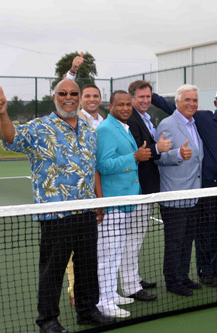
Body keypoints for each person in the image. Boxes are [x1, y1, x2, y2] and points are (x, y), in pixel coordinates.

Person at [0, 79, 114, 332]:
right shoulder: (40, 127)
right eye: (63, 93)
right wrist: (3, 114)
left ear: (79, 97)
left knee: (87, 266)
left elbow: (91, 169)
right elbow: (12, 138)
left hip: (86, 211)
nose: (68, 97)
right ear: (54, 97)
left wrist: (98, 201)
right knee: (53, 271)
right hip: (55, 214)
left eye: (73, 93)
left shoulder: (90, 131)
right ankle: (47, 320)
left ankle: (87, 310)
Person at [151, 88, 217, 286]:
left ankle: (216, 267)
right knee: (202, 233)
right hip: (200, 189)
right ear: (215, 103)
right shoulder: (201, 118)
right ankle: (203, 271)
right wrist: (150, 95)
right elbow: (174, 108)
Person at [95, 90, 153, 318]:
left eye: (128, 105)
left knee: (116, 252)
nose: (126, 108)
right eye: (121, 105)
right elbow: (103, 165)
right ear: (111, 107)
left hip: (127, 201)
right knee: (107, 255)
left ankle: (110, 293)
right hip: (113, 202)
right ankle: (104, 301)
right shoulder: (106, 130)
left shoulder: (123, 127)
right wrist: (134, 158)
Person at [117, 80, 171, 302]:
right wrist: (158, 148)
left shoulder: (145, 118)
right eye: (141, 97)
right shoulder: (131, 119)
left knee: (136, 238)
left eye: (149, 97)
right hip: (136, 189)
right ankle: (130, 286)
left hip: (145, 190)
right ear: (131, 98)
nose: (146, 101)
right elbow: (139, 151)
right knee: (131, 239)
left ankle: (134, 278)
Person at [155, 84, 204, 296]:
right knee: (174, 242)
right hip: (174, 196)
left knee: (187, 240)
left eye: (194, 100)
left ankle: (183, 276)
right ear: (177, 102)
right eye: (187, 100)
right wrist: (176, 154)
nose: (192, 104)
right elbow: (158, 158)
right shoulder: (167, 124)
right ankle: (172, 281)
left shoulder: (195, 124)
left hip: (193, 194)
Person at [66, 82, 104, 309]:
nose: (92, 99)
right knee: (74, 250)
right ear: (81, 99)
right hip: (75, 195)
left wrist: (100, 197)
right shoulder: (75, 119)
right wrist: (71, 72)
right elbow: (65, 91)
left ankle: (95, 291)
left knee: (93, 248)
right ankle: (74, 291)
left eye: (95, 96)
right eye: (87, 95)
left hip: (99, 191)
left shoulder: (104, 121)